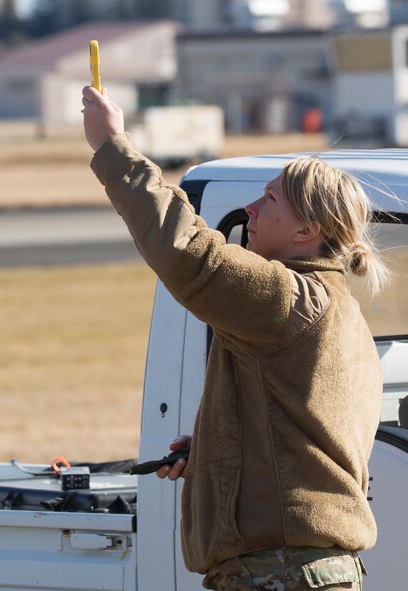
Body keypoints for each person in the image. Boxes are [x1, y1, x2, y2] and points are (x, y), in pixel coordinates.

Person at [82, 85, 391, 591]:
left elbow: (189, 253)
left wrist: (112, 147)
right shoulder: (342, 313)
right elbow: (299, 440)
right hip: (306, 570)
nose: (250, 207)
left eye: (269, 199)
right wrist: (214, 451)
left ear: (304, 231)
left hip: (280, 571)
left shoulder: (287, 300)